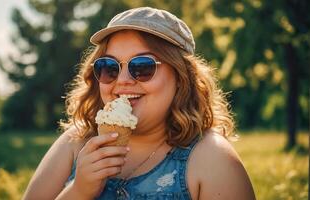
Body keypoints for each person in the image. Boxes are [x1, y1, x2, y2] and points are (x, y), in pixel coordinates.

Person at [23, 7, 255, 200]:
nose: (122, 80)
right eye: (109, 67)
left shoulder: (212, 160)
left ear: (181, 78)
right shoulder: (76, 142)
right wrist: (78, 191)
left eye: (142, 67)